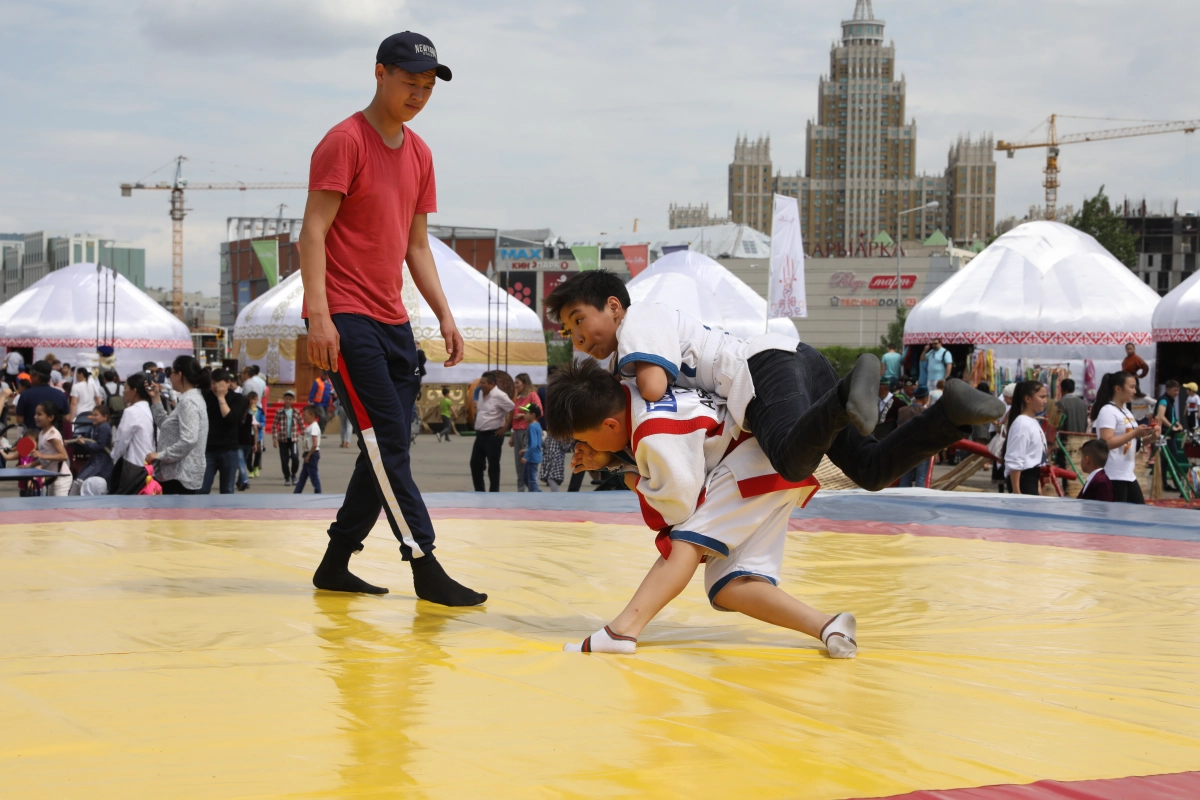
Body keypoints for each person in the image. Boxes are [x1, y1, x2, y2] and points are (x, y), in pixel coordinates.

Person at [299, 31, 483, 605]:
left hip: (393, 319)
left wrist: (445, 317)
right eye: (410, 83)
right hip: (347, 318)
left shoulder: (421, 153)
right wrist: (319, 318)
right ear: (380, 74)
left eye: (428, 87)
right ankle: (424, 563)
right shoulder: (344, 142)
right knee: (389, 447)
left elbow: (418, 246)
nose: (419, 95)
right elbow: (311, 232)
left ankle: (335, 562)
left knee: (385, 446)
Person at [547, 270, 1004, 493]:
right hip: (796, 363)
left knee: (790, 460)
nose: (580, 338)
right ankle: (950, 414)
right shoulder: (624, 352)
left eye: (579, 320)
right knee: (871, 470)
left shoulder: (638, 323)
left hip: (761, 371)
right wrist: (607, 457)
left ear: (613, 306)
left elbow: (649, 392)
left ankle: (846, 394)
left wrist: (611, 445)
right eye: (569, 332)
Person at [547, 359, 857, 658]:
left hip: (752, 464)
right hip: (766, 465)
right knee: (730, 585)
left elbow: (677, 509)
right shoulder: (638, 392)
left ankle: (622, 631)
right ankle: (830, 626)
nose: (590, 448)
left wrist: (619, 467)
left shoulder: (651, 433)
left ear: (610, 424)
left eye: (587, 440)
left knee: (684, 542)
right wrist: (613, 458)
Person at [145, 356, 210, 496]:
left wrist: (160, 455)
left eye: (171, 373)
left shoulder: (189, 402)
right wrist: (155, 397)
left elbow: (189, 440)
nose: (170, 377)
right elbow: (167, 427)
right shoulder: (189, 399)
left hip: (180, 475)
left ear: (179, 375)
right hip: (177, 474)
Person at [1090, 371, 1157, 505]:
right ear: (1118, 389)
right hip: (1113, 474)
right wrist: (1134, 433)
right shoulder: (1108, 411)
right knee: (1117, 518)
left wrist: (1152, 437)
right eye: (1131, 387)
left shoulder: (1126, 411)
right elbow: (1106, 443)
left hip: (1127, 474)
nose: (1135, 391)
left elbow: (1132, 444)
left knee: (1137, 512)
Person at [200, 368, 248, 495]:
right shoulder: (206, 397)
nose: (215, 386)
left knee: (227, 489)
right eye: (213, 383)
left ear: (228, 383)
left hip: (229, 449)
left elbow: (230, 419)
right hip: (208, 449)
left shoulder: (237, 398)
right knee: (202, 488)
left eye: (219, 383)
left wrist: (221, 398)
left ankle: (225, 514)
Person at [11, 402, 71, 496]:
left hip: (61, 478)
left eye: (39, 414)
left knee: (59, 508)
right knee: (51, 508)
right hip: (51, 477)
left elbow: (64, 456)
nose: (35, 417)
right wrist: (30, 465)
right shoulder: (42, 433)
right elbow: (44, 460)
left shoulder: (52, 435)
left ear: (50, 417)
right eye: (35, 414)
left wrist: (41, 455)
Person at [110, 372, 156, 489]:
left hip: (134, 465)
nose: (123, 391)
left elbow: (122, 441)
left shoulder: (131, 411)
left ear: (134, 391)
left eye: (125, 388)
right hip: (152, 467)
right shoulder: (154, 409)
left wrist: (115, 456)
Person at [471, 371, 515, 492]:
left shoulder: (500, 395)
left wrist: (505, 427)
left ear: (492, 383)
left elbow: (512, 408)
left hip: (493, 434)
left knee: (493, 465)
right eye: (480, 382)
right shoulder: (480, 393)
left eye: (483, 383)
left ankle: (494, 492)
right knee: (475, 463)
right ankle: (479, 491)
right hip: (480, 434)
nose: (480, 384)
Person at [1003, 381, 1049, 496]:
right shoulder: (1022, 424)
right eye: (1042, 397)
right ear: (1028, 399)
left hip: (1031, 479)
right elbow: (1015, 458)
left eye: (1045, 397)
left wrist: (1037, 484)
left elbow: (1033, 458)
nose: (1045, 401)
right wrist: (1016, 491)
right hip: (1022, 481)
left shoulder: (1032, 421)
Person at [67, 404, 114, 494]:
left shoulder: (104, 427)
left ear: (105, 417)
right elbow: (86, 440)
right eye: (93, 415)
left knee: (81, 480)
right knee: (79, 480)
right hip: (93, 460)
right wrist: (74, 442)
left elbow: (99, 446)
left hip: (101, 462)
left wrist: (84, 443)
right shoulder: (94, 428)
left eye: (96, 415)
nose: (93, 417)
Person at [15, 360, 69, 433]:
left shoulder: (26, 394)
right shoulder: (60, 394)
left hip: (31, 440)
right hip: (53, 439)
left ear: (37, 377)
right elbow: (66, 418)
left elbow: (20, 420)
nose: (30, 377)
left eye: (31, 374)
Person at [509, 373, 542, 491]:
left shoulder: (532, 396)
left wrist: (523, 415)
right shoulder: (518, 397)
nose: (515, 385)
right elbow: (513, 415)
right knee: (519, 463)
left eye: (517, 382)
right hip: (517, 431)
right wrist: (512, 434)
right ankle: (521, 490)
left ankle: (532, 489)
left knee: (527, 460)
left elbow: (539, 411)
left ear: (525, 383)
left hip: (526, 430)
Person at [897, 387, 932, 488]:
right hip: (922, 450)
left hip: (905, 449)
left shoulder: (902, 410)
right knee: (920, 480)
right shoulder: (927, 412)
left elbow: (897, 431)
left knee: (904, 480)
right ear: (925, 398)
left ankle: (902, 502)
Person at [272, 390, 303, 486]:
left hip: (293, 439)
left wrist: (306, 436)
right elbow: (274, 426)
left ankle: (294, 474)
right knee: (284, 459)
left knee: (295, 457)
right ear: (283, 399)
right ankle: (287, 477)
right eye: (286, 399)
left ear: (293, 400)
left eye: (290, 399)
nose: (288, 401)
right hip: (283, 439)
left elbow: (301, 425)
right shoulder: (279, 412)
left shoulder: (296, 412)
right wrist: (275, 439)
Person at [294, 405, 323, 494]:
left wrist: (309, 455)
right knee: (303, 477)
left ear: (312, 415)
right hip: (309, 454)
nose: (303, 417)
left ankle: (318, 494)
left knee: (314, 477)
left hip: (312, 455)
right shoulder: (310, 427)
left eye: (305, 415)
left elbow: (314, 444)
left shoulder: (314, 427)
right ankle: (296, 494)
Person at [69, 367, 103, 438]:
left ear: (81, 374)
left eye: (77, 374)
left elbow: (73, 403)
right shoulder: (93, 385)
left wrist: (71, 418)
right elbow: (98, 400)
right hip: (92, 414)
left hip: (79, 415)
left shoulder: (75, 386)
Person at [517, 402, 543, 493]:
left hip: (532, 457)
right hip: (533, 455)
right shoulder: (537, 425)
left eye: (526, 413)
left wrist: (526, 456)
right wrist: (525, 450)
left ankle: (535, 495)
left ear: (533, 415)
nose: (524, 415)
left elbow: (534, 444)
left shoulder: (532, 426)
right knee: (525, 478)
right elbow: (536, 443)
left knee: (531, 480)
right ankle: (535, 492)